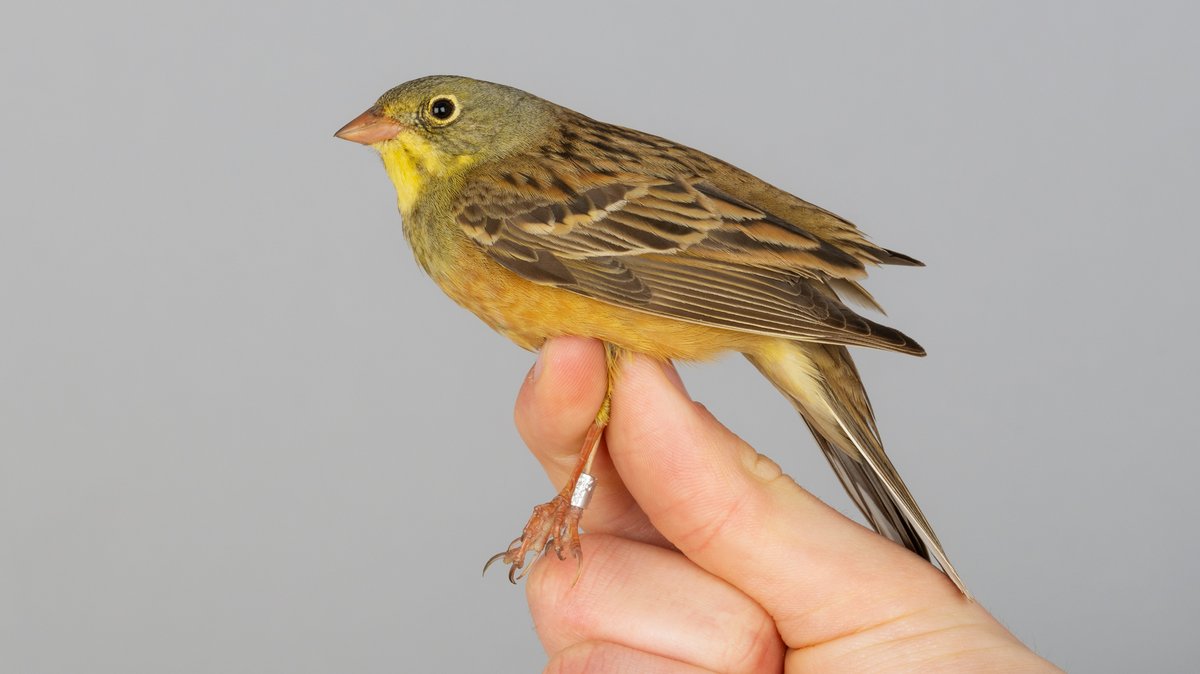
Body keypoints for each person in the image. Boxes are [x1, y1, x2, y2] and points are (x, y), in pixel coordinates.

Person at [514, 337, 1061, 673]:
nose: (421, 136)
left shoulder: (480, 198)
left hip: (741, 286)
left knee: (617, 385)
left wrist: (572, 500)